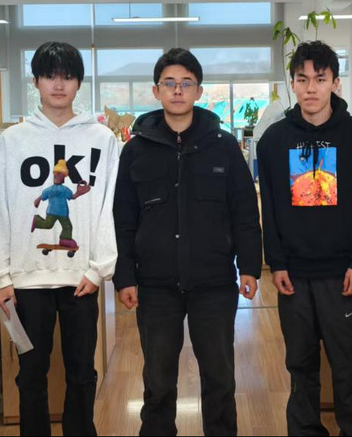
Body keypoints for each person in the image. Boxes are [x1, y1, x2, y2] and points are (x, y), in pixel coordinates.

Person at [113, 47, 262, 436]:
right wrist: (124, 276)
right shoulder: (135, 151)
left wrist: (249, 266)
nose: (177, 90)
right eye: (169, 83)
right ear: (156, 91)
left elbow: (245, 211)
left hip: (214, 282)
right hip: (155, 285)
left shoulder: (223, 146)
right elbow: (123, 218)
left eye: (186, 83)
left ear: (199, 91)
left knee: (220, 379)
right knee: (158, 383)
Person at [0, 41, 120, 437]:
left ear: (79, 83)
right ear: (36, 82)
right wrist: (0, 277)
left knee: (82, 372)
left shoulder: (102, 139)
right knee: (30, 373)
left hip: (81, 279)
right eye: (50, 76)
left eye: (68, 77)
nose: (59, 85)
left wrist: (99, 269)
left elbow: (109, 207)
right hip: (26, 281)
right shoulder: (13, 141)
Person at [257, 40, 352, 436]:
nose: (311, 88)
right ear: (292, 83)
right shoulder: (273, 140)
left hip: (343, 275)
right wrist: (276, 262)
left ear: (335, 83)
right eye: (302, 79)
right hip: (294, 275)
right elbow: (270, 208)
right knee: (300, 364)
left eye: (320, 79)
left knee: (348, 364)